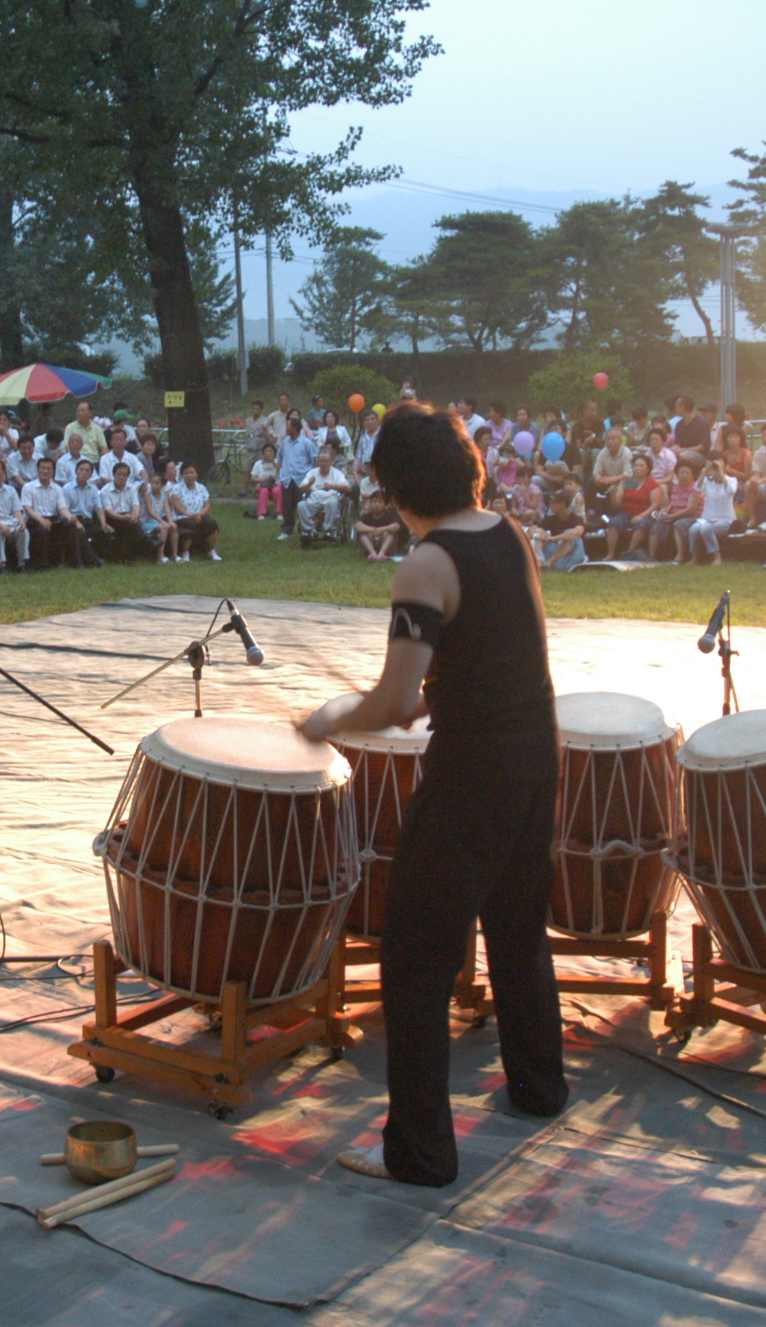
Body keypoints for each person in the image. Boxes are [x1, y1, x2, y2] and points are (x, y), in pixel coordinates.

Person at [300, 402, 566, 1188]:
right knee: (519, 930)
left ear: (394, 483)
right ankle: (539, 1088)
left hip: (474, 773)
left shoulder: (425, 563)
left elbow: (393, 703)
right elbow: (459, 670)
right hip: (536, 756)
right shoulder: (507, 532)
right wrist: (403, 696)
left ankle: (418, 1153)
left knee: (415, 961)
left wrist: (328, 717)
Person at [20, 456, 75, 568]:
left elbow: (62, 508)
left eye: (48, 468)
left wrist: (70, 517)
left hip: (53, 519)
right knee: (42, 529)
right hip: (34, 520)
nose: (45, 471)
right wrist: (42, 520)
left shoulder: (57, 488)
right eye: (42, 468)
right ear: (38, 469)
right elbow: (28, 509)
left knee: (69, 525)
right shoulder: (28, 487)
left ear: (53, 471)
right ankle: (41, 564)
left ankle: (63, 561)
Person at [296, 444, 351, 542]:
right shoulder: (312, 473)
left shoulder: (336, 473)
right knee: (301, 505)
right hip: (314, 499)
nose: (323, 463)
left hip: (330, 498)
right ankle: (310, 530)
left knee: (332, 503)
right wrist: (309, 484)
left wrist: (332, 486)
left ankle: (329, 529)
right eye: (321, 460)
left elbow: (347, 488)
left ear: (331, 461)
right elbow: (301, 488)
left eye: (325, 461)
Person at [166, 461, 220, 562]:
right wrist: (190, 515)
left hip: (199, 515)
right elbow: (177, 507)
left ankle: (211, 550)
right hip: (182, 517)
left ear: (196, 473)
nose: (189, 475)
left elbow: (207, 505)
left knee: (211, 522)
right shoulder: (177, 488)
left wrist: (200, 514)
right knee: (189, 524)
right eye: (186, 473)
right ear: (182, 475)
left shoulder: (202, 488)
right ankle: (185, 552)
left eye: (192, 472)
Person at [686, 458, 736, 565]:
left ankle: (717, 557)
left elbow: (731, 490)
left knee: (706, 529)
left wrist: (721, 475)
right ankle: (695, 557)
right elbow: (697, 487)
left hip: (725, 518)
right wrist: (704, 472)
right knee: (693, 530)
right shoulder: (708, 480)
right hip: (707, 517)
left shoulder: (731, 480)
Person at [97, 461, 144, 560]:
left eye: (125, 475)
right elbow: (108, 510)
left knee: (131, 524)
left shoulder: (131, 487)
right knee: (129, 525)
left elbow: (136, 504)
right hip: (112, 517)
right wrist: (123, 518)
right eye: (119, 474)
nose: (122, 477)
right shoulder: (105, 490)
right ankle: (146, 544)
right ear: (114, 474)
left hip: (128, 515)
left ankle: (127, 556)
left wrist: (135, 515)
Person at [249, 443, 282, 520]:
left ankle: (279, 512)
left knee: (277, 490)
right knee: (264, 491)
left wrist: (273, 462)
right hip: (263, 485)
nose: (268, 453)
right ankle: (261, 513)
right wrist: (263, 479)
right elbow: (253, 477)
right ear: (263, 453)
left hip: (275, 484)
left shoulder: (278, 462)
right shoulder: (258, 463)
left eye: (271, 451)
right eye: (266, 451)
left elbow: (281, 471)